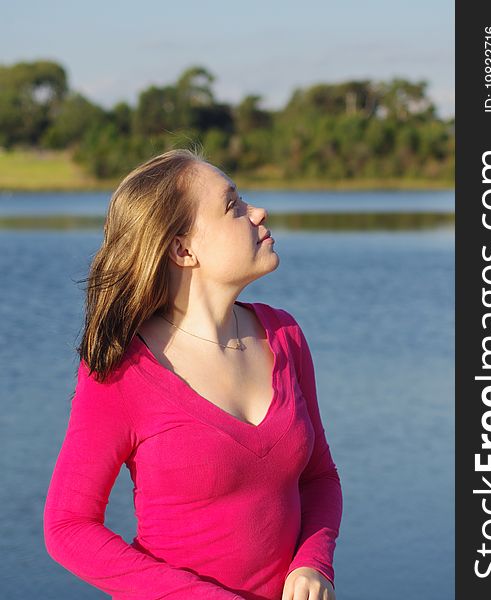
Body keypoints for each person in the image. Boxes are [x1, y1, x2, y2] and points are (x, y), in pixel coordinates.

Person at [43, 148, 343, 600]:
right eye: (233, 206)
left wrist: (312, 563)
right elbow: (68, 527)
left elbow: (319, 477)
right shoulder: (123, 370)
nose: (258, 212)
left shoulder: (284, 335)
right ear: (183, 249)